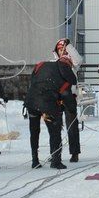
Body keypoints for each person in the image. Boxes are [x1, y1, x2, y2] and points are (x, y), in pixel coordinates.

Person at [25, 41, 79, 169]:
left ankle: (35, 160)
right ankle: (56, 160)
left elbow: (33, 80)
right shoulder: (66, 75)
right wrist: (72, 110)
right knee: (55, 130)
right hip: (47, 103)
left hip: (31, 100)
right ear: (68, 65)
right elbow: (67, 97)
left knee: (34, 131)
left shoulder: (41, 65)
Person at [52, 39, 83, 163]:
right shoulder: (53, 63)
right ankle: (55, 153)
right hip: (56, 99)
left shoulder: (73, 64)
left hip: (70, 98)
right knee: (55, 127)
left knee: (72, 126)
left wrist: (68, 45)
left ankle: (74, 152)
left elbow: (78, 59)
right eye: (60, 49)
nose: (62, 52)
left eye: (64, 49)